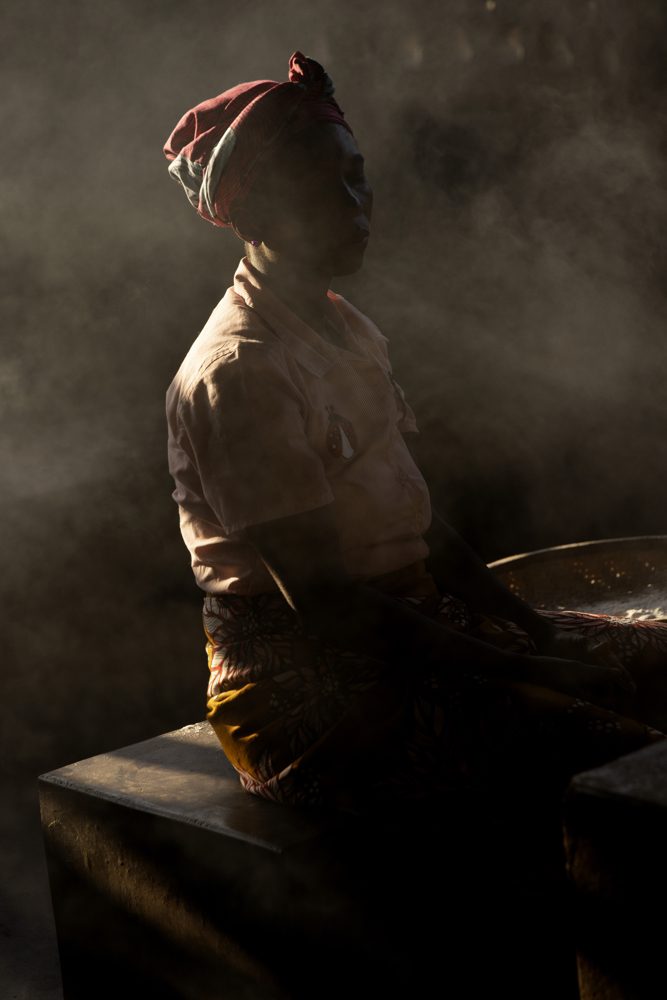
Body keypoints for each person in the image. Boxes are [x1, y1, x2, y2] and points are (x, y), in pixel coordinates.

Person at [164, 51, 667, 823]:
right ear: (253, 210)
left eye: (357, 176)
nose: (355, 204)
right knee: (622, 761)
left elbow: (414, 515)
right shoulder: (240, 372)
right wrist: (525, 668)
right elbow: (330, 607)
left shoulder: (341, 325)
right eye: (320, 185)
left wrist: (533, 629)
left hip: (411, 628)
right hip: (310, 689)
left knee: (654, 660)